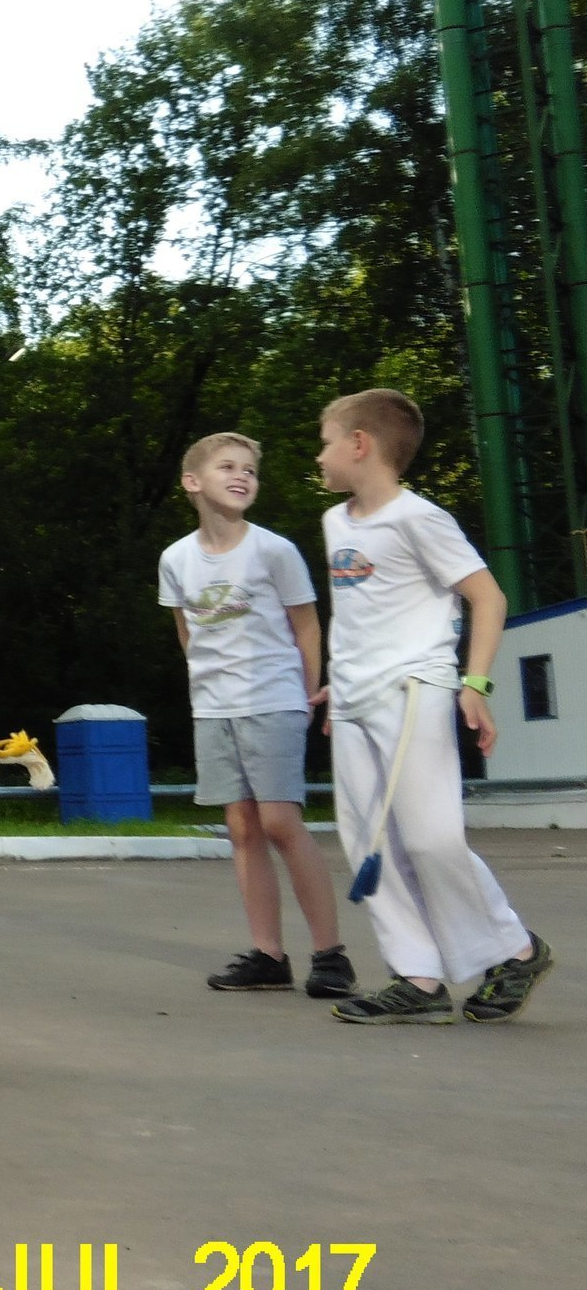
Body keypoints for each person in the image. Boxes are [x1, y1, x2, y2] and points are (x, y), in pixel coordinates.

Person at [315, 388, 552, 1025]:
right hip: (359, 701)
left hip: (415, 692)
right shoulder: (336, 524)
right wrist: (341, 683)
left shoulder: (421, 519)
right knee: (368, 839)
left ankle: (517, 949)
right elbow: (360, 616)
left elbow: (489, 598)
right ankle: (417, 976)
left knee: (430, 836)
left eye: (326, 440)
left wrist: (475, 685)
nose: (320, 456)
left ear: (359, 444)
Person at [157, 431, 352, 998]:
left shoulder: (272, 550)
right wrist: (207, 687)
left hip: (274, 699)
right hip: (214, 708)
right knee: (241, 829)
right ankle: (269, 955)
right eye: (227, 467)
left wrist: (307, 690)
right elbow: (186, 631)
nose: (242, 476)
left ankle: (331, 955)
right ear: (194, 482)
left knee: (279, 823)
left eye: (250, 470)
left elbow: (307, 624)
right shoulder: (176, 558)